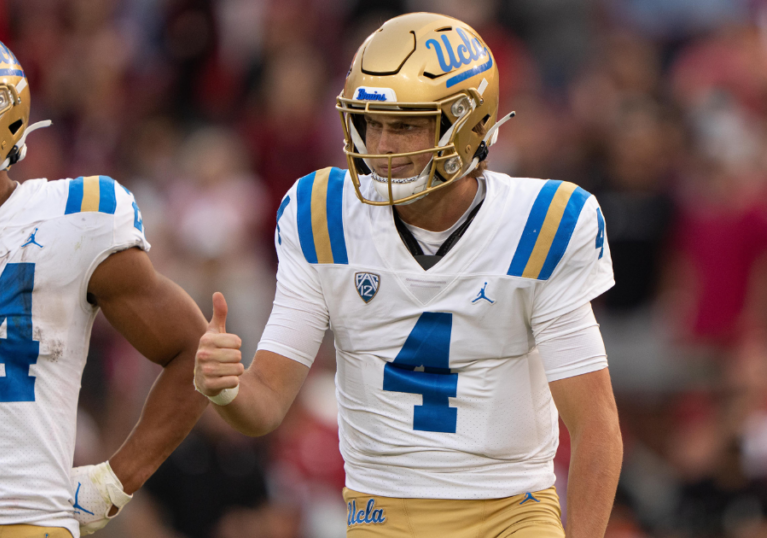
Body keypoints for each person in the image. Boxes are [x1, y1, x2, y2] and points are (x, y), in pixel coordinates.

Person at [194, 12, 623, 538]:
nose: (381, 147)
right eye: (370, 124)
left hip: (512, 512)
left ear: (466, 124)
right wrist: (225, 388)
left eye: (404, 125)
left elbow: (596, 427)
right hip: (380, 514)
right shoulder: (323, 217)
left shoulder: (539, 225)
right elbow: (264, 405)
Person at [0, 25, 210, 537]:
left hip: (29, 520)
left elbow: (193, 351)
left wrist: (116, 479)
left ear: (3, 113)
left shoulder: (76, 218)